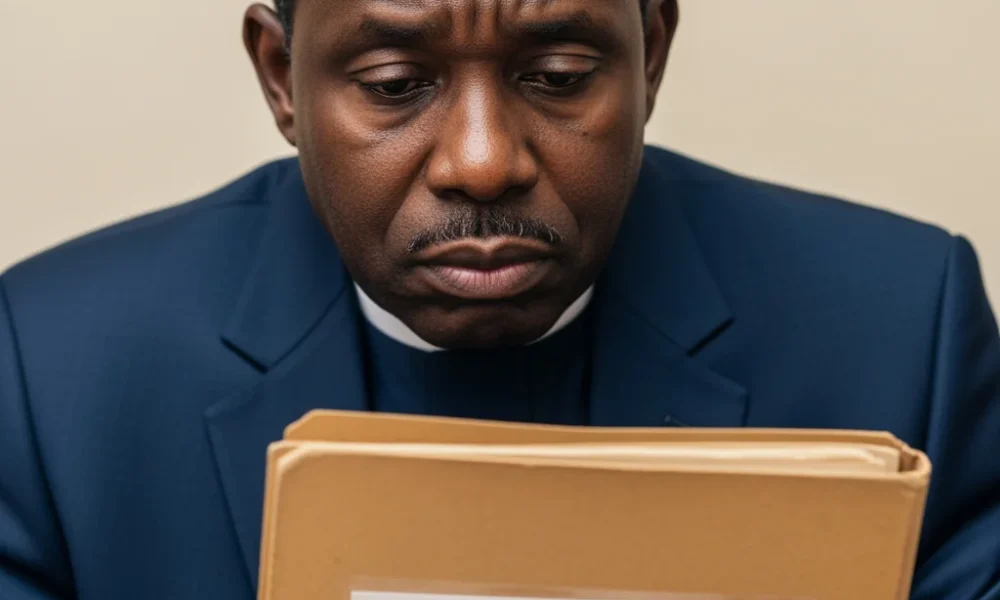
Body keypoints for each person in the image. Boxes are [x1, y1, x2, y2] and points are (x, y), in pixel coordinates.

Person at [1, 0, 997, 598]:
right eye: (395, 84)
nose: (482, 162)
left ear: (648, 51)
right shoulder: (52, 374)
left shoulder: (904, 330)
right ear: (281, 78)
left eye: (557, 76)